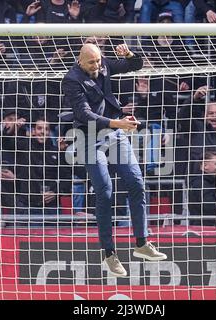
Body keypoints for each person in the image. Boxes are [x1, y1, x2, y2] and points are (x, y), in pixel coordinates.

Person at [62, 42, 167, 278]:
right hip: (88, 137)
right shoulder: (71, 79)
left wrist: (129, 54)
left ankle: (141, 244)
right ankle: (109, 253)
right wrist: (118, 123)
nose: (97, 65)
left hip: (115, 134)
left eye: (99, 60)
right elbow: (84, 114)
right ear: (81, 62)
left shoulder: (105, 64)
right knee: (105, 190)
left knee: (136, 182)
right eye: (92, 62)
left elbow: (135, 65)